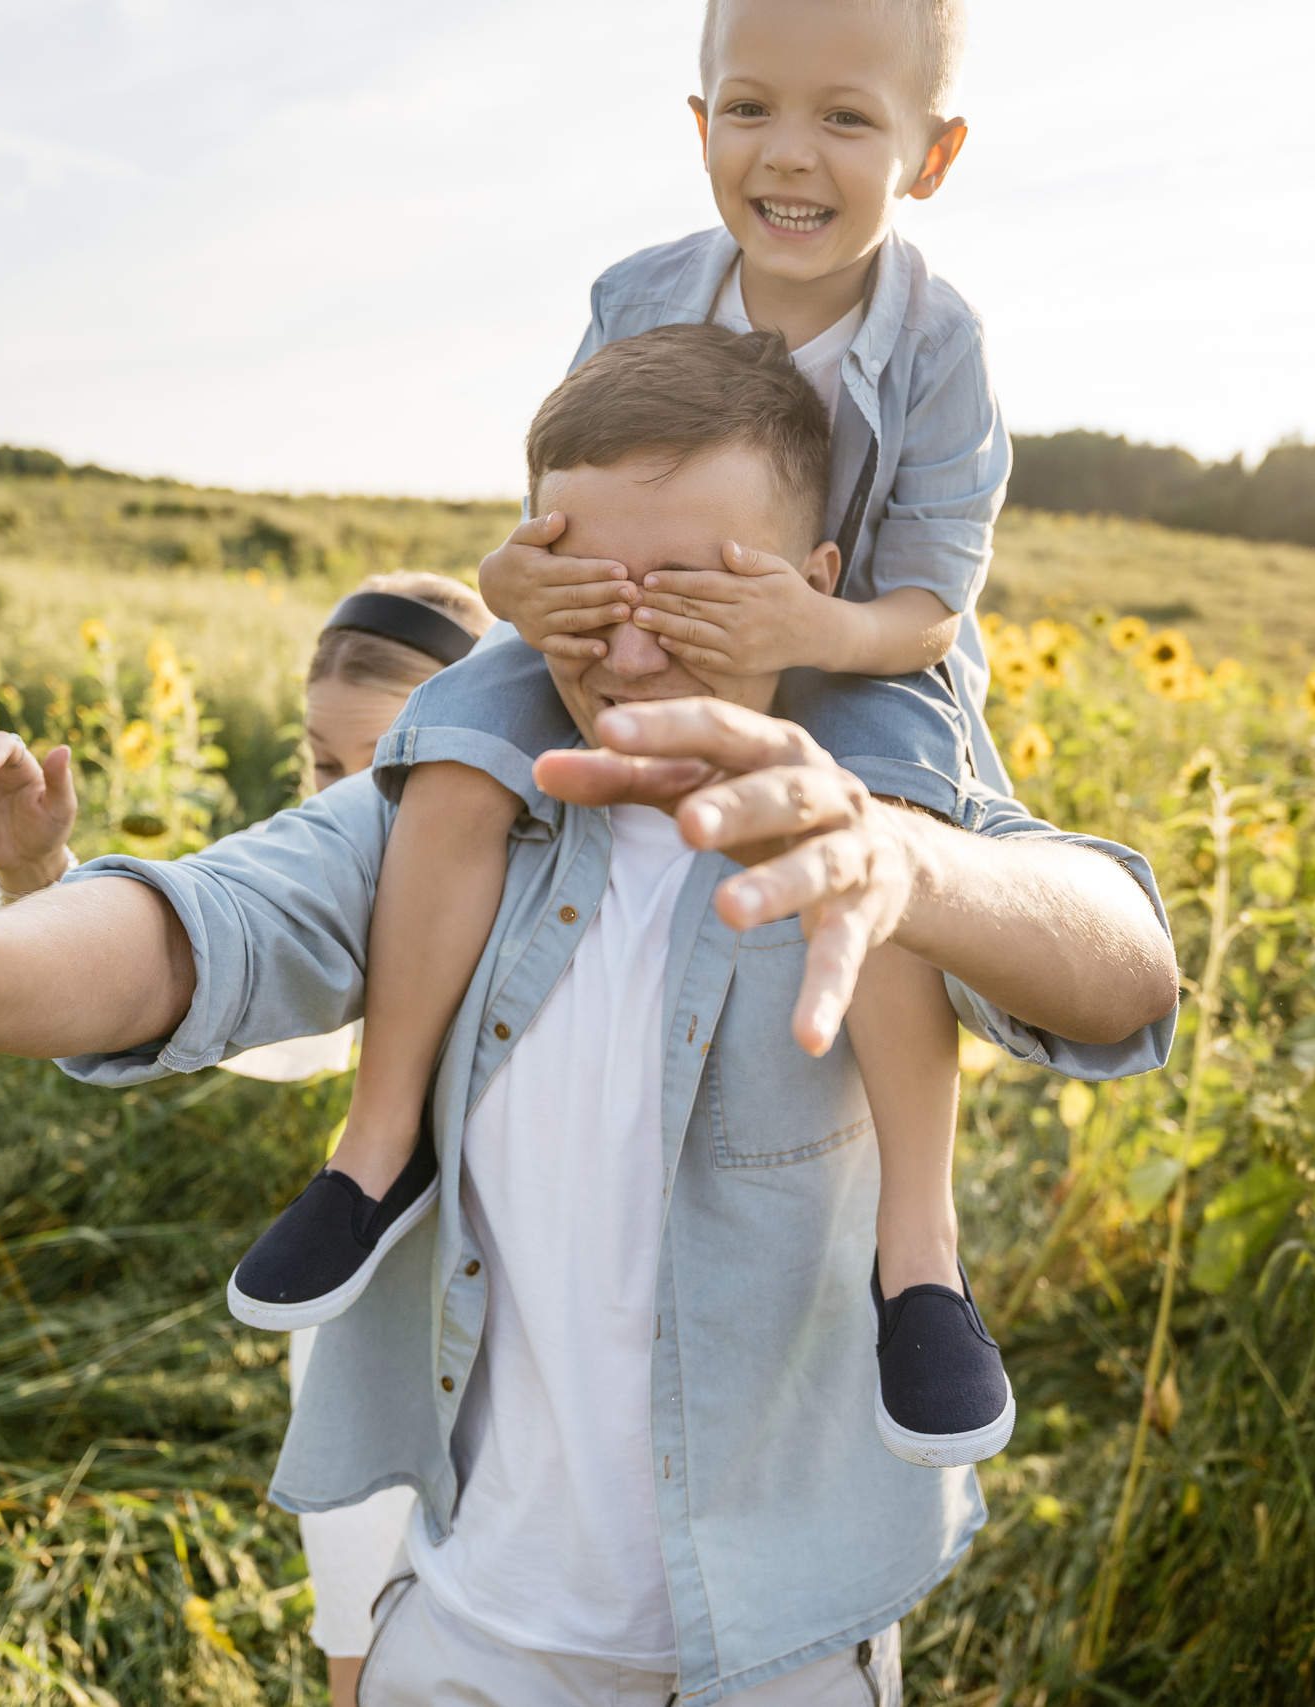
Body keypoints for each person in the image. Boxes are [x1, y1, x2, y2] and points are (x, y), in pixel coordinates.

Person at [0, 323, 1174, 1705]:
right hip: (465, 1635)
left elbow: (1127, 965)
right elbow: (210, 924)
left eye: (694, 594)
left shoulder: (883, 804)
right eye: (585, 597)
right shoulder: (452, 812)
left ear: (816, 579)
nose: (629, 651)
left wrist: (910, 865)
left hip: (781, 1653)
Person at [230, 0, 1022, 1473]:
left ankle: (918, 1252)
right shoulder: (641, 289)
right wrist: (515, 580)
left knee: (886, 836)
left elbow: (925, 606)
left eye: (848, 118)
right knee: (458, 741)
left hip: (851, 635)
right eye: (751, 108)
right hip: (627, 612)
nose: (790, 154)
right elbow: (561, 492)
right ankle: (380, 1143)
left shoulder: (939, 344)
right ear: (701, 121)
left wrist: (805, 628)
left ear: (932, 156)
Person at [0, 571, 490, 1705]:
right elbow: (211, 994)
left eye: (390, 776)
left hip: (525, 1378)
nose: (348, 811)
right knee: (363, 1659)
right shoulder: (343, 919)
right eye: (323, 768)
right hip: (366, 1349)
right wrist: (37, 877)